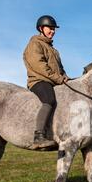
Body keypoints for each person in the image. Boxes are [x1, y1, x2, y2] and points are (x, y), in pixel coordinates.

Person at [23, 15, 70, 148]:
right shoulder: (34, 44)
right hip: (39, 80)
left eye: (54, 29)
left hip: (52, 81)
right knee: (49, 99)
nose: (53, 31)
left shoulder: (54, 50)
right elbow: (40, 67)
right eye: (50, 28)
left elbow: (60, 69)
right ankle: (39, 136)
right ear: (41, 28)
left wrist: (66, 78)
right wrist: (59, 79)